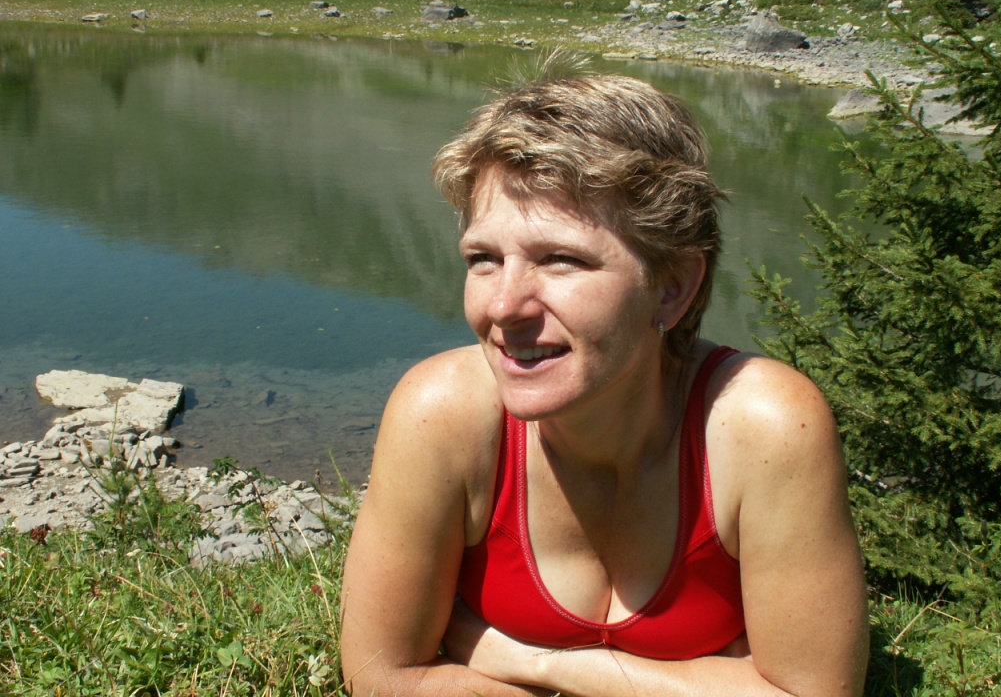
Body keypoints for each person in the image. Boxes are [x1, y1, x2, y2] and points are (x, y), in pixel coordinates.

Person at [340, 61, 869, 697]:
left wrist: (541, 663)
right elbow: (381, 676)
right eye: (484, 258)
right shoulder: (440, 413)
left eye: (561, 259)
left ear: (672, 286)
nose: (503, 306)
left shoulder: (765, 427)